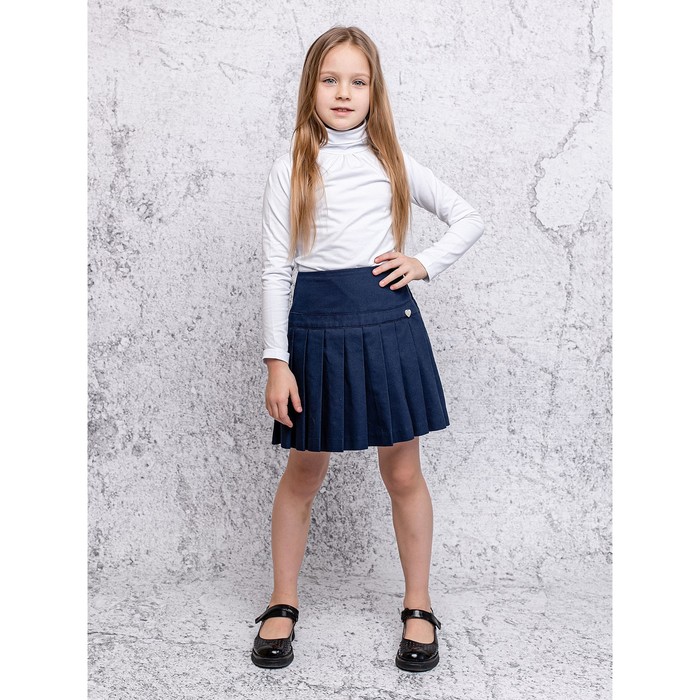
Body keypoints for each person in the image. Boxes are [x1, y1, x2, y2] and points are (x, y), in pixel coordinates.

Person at [251, 26, 485, 673]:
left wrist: (423, 263)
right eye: (330, 79)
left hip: (388, 326)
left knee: (403, 473)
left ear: (374, 91)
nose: (343, 92)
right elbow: (276, 269)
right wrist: (277, 361)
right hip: (315, 334)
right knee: (304, 473)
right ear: (311, 88)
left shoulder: (393, 161)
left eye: (358, 81)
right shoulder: (290, 167)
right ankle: (282, 600)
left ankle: (419, 605)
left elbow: (469, 217)